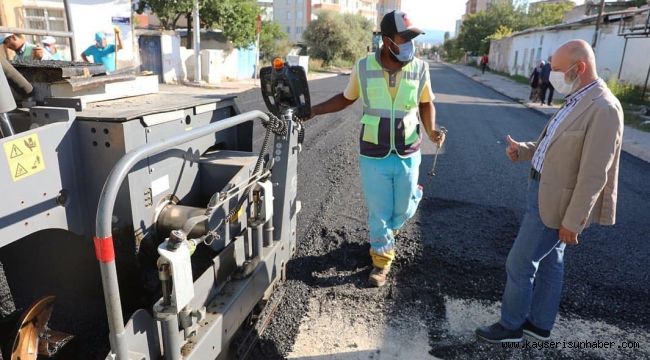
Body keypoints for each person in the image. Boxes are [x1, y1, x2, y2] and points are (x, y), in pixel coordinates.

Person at [475, 39, 624, 343]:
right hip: (543, 191)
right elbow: (557, 143)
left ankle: (511, 325)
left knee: (519, 262)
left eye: (555, 70)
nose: (549, 76)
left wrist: (574, 220)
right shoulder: (576, 99)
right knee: (550, 261)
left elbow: (595, 173)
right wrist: (526, 150)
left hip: (558, 204)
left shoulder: (604, 108)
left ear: (578, 68)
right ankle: (539, 325)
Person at [308, 10, 445, 287]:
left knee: (402, 209)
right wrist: (312, 111)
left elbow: (425, 102)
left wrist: (431, 130)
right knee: (379, 211)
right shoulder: (363, 66)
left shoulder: (420, 67)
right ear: (386, 40)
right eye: (403, 37)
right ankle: (381, 261)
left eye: (412, 38)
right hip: (373, 152)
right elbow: (346, 99)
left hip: (408, 150)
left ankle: (413, 198)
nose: (409, 43)